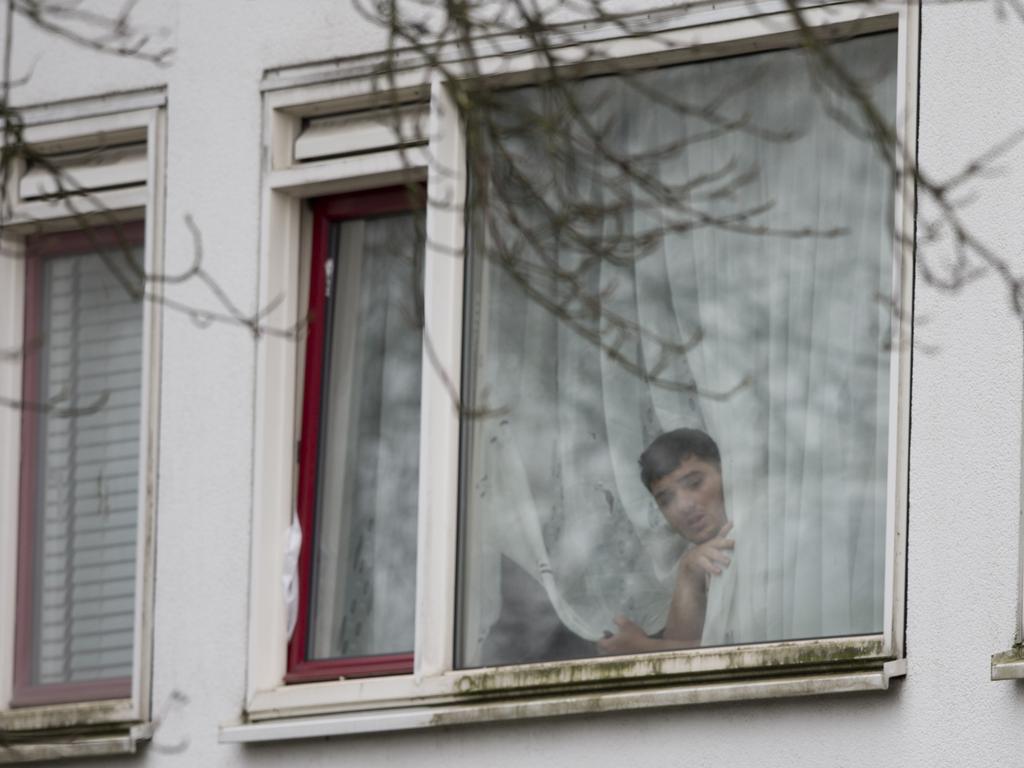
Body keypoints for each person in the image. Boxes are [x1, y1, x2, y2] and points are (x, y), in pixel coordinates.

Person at [597, 428, 734, 655]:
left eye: (694, 483)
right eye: (666, 499)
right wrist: (688, 570)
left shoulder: (758, 544)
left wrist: (645, 648)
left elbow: (749, 648)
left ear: (727, 473)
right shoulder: (696, 558)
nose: (683, 506)